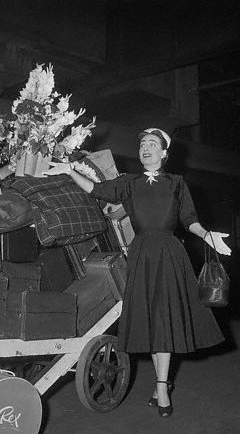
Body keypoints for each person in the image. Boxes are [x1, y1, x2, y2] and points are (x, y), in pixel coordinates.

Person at [44, 127, 231, 418]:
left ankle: (161, 387)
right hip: (141, 254)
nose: (145, 148)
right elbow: (95, 189)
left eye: (152, 144)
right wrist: (70, 170)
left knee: (164, 320)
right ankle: (161, 385)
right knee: (154, 323)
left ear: (164, 153)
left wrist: (208, 236)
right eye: (142, 143)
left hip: (170, 255)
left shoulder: (177, 183)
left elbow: (189, 219)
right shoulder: (128, 183)